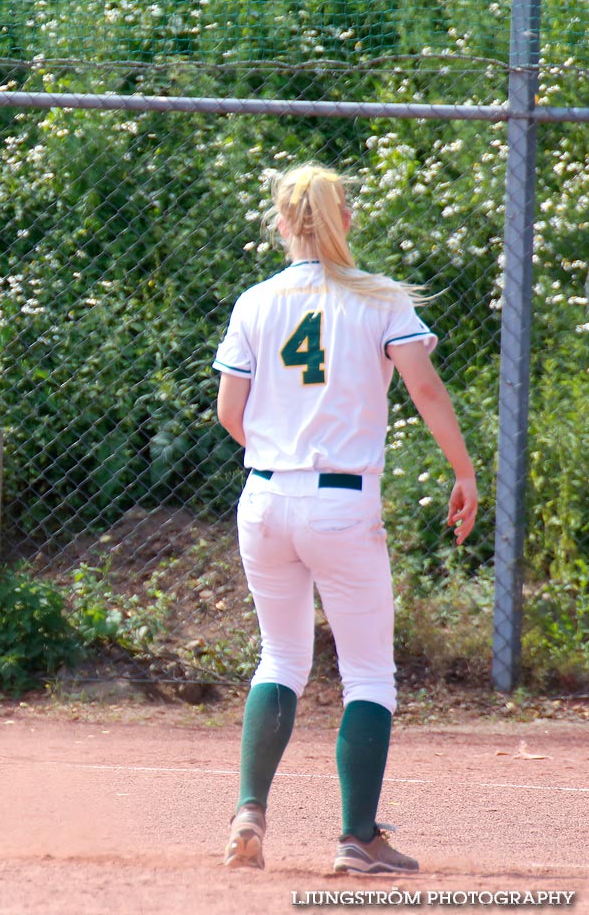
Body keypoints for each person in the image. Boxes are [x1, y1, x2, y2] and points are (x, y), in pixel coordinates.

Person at [213, 163, 478, 874]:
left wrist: (280, 456)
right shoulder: (381, 299)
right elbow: (423, 387)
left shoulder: (254, 302)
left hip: (265, 496)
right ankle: (358, 837)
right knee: (367, 674)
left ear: (280, 222)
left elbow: (229, 415)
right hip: (342, 498)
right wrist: (464, 471)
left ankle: (248, 812)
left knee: (281, 658)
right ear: (347, 221)